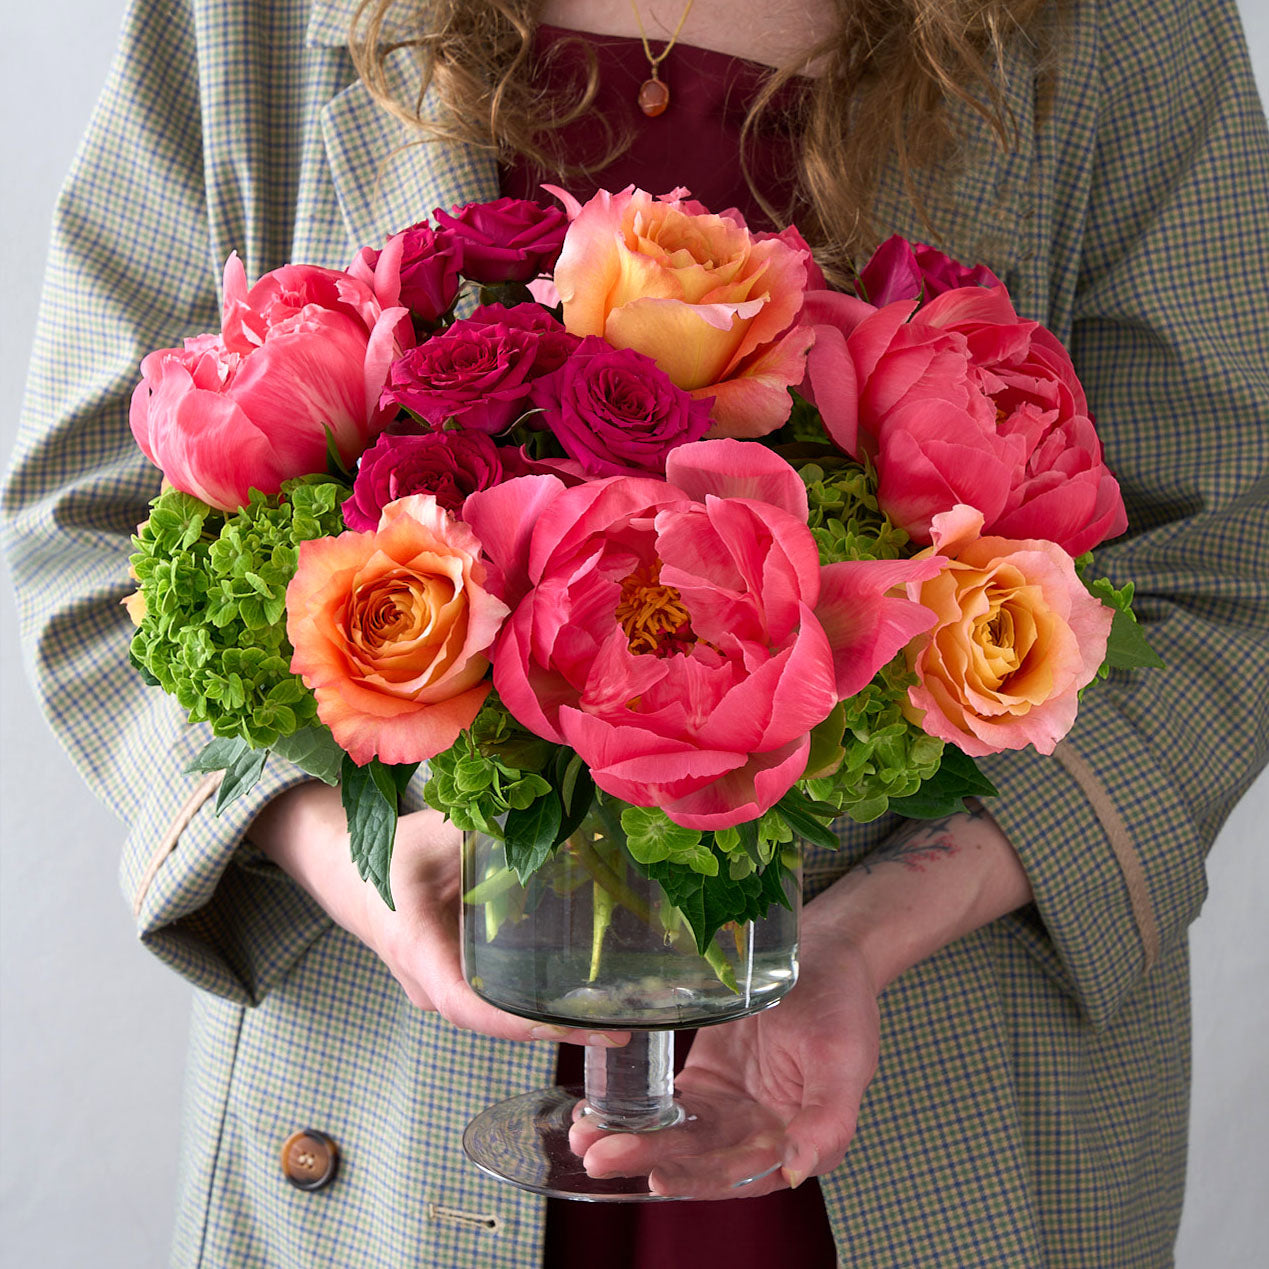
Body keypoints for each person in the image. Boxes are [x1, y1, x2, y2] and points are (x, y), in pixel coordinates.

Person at [2, 0, 1266, 1265]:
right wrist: (361, 862)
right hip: (388, 1128)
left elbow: (1227, 574)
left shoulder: (1117, 27)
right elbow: (88, 523)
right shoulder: (243, 21)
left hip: (928, 1115)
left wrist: (867, 935)